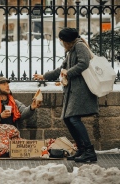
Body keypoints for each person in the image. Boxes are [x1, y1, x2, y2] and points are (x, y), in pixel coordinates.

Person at [33, 27, 99, 163]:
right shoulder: (71, 50)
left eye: (62, 40)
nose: (61, 43)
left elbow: (84, 63)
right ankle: (81, 149)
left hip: (81, 90)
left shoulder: (80, 46)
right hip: (73, 90)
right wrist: (44, 76)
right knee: (68, 118)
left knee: (73, 118)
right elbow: (60, 69)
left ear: (67, 40)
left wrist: (68, 73)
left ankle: (89, 151)